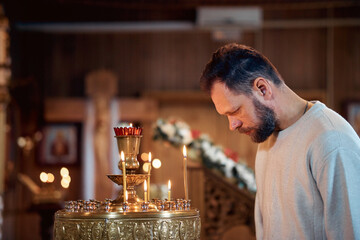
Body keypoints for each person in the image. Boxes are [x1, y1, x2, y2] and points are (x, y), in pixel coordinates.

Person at [200, 43, 360, 239]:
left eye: (235, 111)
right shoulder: (266, 137)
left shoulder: (331, 140)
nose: (232, 125)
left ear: (263, 89)